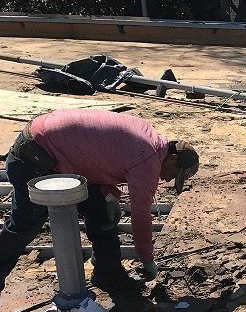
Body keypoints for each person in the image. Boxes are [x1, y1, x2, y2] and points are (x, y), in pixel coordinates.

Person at [0, 109, 199, 294]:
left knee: (100, 209)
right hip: (35, 157)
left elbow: (99, 158)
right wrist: (147, 258)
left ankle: (108, 272)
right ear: (172, 159)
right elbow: (141, 216)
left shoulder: (148, 139)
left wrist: (109, 195)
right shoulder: (148, 159)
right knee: (23, 227)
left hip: (47, 146)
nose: (168, 180)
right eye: (174, 174)